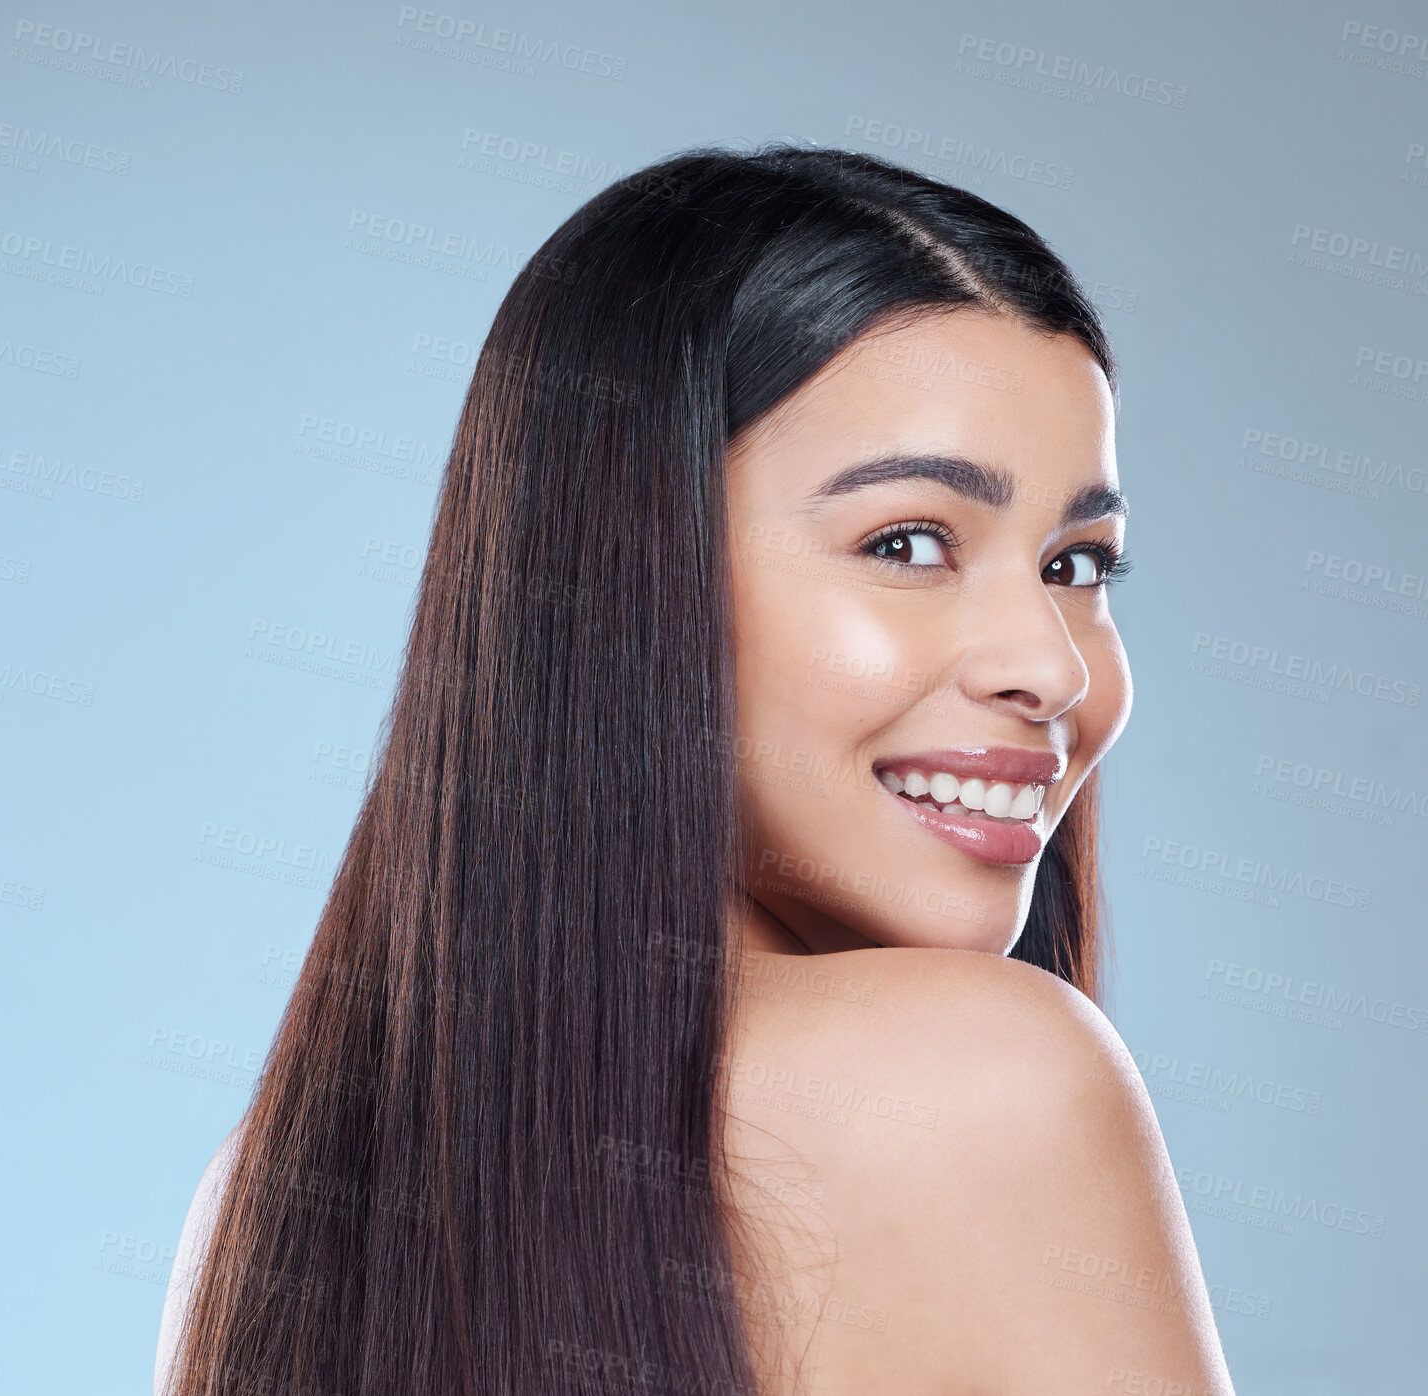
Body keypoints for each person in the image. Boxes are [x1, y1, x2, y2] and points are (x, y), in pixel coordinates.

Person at [155, 143, 1236, 1395]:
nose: (1048, 669)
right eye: (907, 541)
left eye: (1077, 565)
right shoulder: (986, 1080)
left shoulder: (262, 1201)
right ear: (631, 575)